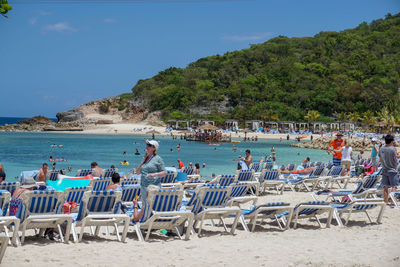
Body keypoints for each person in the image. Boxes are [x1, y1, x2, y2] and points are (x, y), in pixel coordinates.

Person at [135, 140, 166, 206]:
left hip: (154, 187)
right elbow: (137, 172)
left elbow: (164, 172)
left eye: (149, 145)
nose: (147, 146)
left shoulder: (158, 159)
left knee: (153, 205)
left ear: (154, 148)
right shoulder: (145, 158)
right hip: (144, 186)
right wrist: (142, 161)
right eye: (147, 144)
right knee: (145, 206)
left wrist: (155, 174)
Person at [378, 134, 398, 204]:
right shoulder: (393, 149)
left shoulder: (381, 148)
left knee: (385, 187)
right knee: (394, 187)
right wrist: (396, 168)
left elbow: (380, 159)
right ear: (391, 141)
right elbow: (395, 159)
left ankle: (385, 201)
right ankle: (392, 201)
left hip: (384, 169)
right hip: (392, 170)